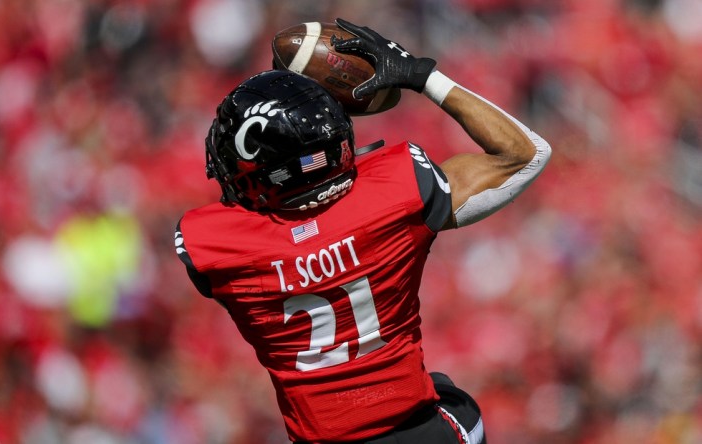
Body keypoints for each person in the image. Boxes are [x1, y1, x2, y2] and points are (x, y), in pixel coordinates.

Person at [174, 18, 551, 444]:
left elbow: (276, 225)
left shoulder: (213, 246)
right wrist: (423, 76)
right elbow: (525, 154)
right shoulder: (395, 193)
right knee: (453, 401)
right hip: (419, 433)